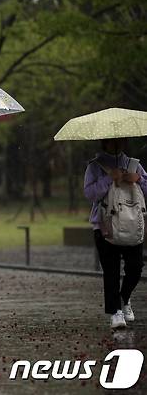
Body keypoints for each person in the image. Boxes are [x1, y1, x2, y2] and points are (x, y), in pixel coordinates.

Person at [83, 137, 146, 329]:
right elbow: (90, 194)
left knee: (135, 268)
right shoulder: (95, 166)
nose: (118, 144)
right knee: (111, 271)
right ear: (105, 143)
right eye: (113, 141)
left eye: (121, 141)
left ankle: (123, 298)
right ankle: (115, 312)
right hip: (105, 226)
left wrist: (139, 179)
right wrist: (109, 178)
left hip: (132, 224)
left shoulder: (134, 165)